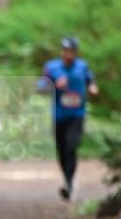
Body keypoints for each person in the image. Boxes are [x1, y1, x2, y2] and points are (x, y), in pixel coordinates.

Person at [38, 35, 98, 200]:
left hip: (77, 115)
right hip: (59, 116)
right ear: (62, 51)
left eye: (71, 51)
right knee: (62, 150)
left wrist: (92, 87)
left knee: (72, 146)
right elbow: (41, 88)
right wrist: (55, 86)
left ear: (76, 52)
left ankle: (69, 183)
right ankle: (68, 180)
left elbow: (90, 80)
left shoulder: (82, 66)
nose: (68, 54)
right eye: (66, 51)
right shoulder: (51, 67)